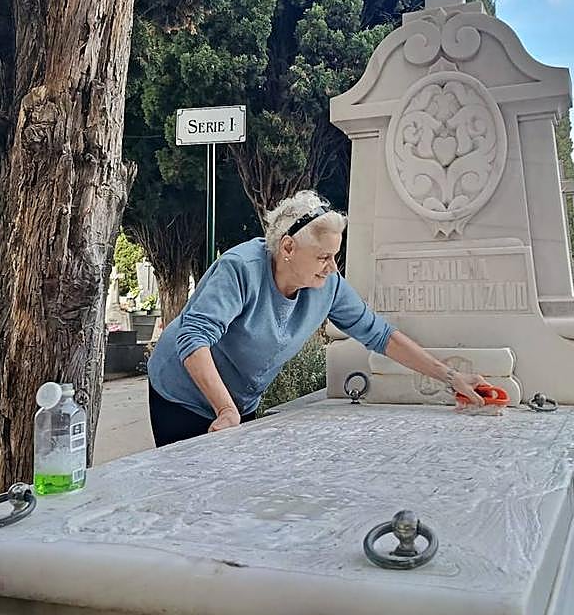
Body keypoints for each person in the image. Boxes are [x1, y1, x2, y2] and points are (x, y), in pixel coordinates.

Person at [146, 190, 489, 447]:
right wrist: (224, 410)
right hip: (182, 396)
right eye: (324, 256)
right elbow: (193, 337)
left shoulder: (328, 287)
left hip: (237, 402)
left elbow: (381, 335)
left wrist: (451, 377)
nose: (333, 267)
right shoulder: (240, 269)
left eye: (335, 256)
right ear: (288, 248)